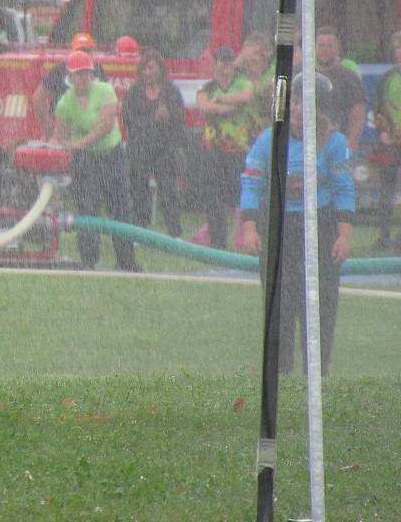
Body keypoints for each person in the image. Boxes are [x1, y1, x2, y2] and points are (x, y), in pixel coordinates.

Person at [240, 72, 354, 375]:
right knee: (280, 303)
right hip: (279, 226)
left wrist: (344, 235)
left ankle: (317, 371)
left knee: (320, 304)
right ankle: (281, 373)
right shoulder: (269, 139)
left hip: (321, 224)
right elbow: (251, 183)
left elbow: (344, 190)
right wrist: (250, 229)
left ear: (321, 108)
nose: (299, 109)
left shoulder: (334, 143)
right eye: (295, 102)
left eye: (306, 103)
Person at [52, 50, 139, 271]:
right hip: (86, 163)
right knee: (87, 209)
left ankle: (127, 262)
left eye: (85, 74)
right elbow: (59, 137)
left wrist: (79, 144)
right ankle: (89, 261)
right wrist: (52, 149)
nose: (81, 79)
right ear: (70, 77)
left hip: (112, 157)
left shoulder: (105, 90)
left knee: (120, 210)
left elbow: (106, 125)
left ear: (92, 74)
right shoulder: (64, 103)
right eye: (77, 75)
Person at [194, 46, 254, 249]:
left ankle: (243, 240)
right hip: (212, 150)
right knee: (213, 197)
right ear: (215, 64)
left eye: (229, 63)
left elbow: (245, 97)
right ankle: (217, 241)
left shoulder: (242, 82)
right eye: (221, 63)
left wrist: (220, 99)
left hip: (238, 149)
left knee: (239, 195)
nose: (225, 67)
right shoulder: (207, 87)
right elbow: (204, 106)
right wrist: (229, 107)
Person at [121, 47, 186, 236]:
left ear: (160, 69)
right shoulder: (134, 93)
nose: (149, 71)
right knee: (138, 192)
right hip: (140, 149)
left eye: (152, 67)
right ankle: (140, 232)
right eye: (145, 68)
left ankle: (175, 233)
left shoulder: (171, 91)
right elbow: (128, 119)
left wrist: (168, 117)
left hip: (165, 149)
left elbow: (180, 119)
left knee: (169, 192)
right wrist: (152, 119)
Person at [33, 32, 108, 138]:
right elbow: (38, 98)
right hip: (64, 131)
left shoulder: (99, 71)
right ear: (73, 51)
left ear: (92, 51)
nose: (83, 54)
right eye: (80, 50)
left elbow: (108, 102)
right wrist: (48, 128)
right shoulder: (60, 71)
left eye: (86, 50)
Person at [371, 30, 401, 250]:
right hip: (391, 143)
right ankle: (384, 236)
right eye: (398, 47)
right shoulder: (387, 77)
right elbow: (378, 109)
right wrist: (384, 133)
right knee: (387, 190)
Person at [315, 26, 365, 151]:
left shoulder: (349, 77)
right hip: (308, 144)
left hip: (340, 144)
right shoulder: (302, 75)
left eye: (330, 46)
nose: (325, 50)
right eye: (321, 45)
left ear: (338, 48)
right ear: (314, 47)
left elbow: (358, 113)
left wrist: (351, 144)